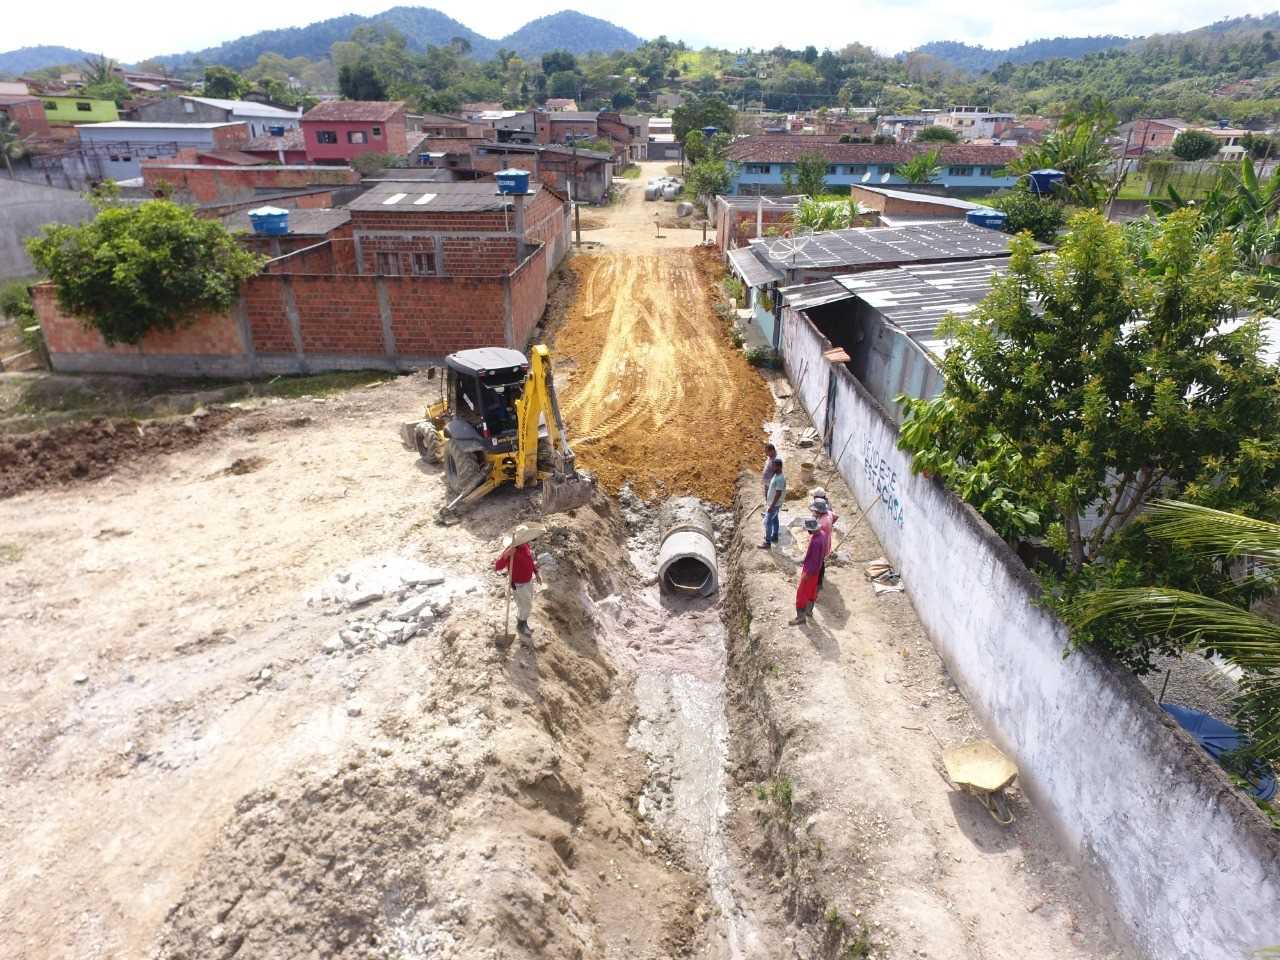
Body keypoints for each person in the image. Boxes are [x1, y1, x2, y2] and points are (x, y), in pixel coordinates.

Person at [496, 531, 543, 637]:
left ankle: (521, 619)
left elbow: (529, 560)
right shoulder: (510, 550)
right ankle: (521, 625)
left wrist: (536, 572)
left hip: (528, 580)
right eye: (523, 539)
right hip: (519, 584)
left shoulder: (525, 545)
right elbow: (498, 566)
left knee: (525, 604)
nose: (526, 540)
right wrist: (506, 555)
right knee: (526, 605)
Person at [790, 518, 828, 625]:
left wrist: (807, 574)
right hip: (817, 570)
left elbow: (813, 560)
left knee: (801, 593)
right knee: (812, 591)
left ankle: (800, 617)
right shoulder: (823, 534)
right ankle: (809, 611)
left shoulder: (815, 541)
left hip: (810, 571)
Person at [810, 497, 837, 593]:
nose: (814, 512)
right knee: (822, 562)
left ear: (819, 511)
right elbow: (836, 516)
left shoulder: (821, 522)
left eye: (815, 511)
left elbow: (813, 532)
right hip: (827, 541)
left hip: (821, 545)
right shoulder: (829, 513)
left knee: (819, 563)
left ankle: (818, 583)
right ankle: (819, 581)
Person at [759, 457, 785, 549]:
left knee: (767, 522)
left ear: (778, 467)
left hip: (774, 505)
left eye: (774, 466)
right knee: (775, 520)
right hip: (774, 505)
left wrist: (772, 506)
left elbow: (778, 493)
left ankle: (767, 542)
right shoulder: (776, 475)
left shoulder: (780, 478)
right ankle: (774, 536)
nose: (772, 467)